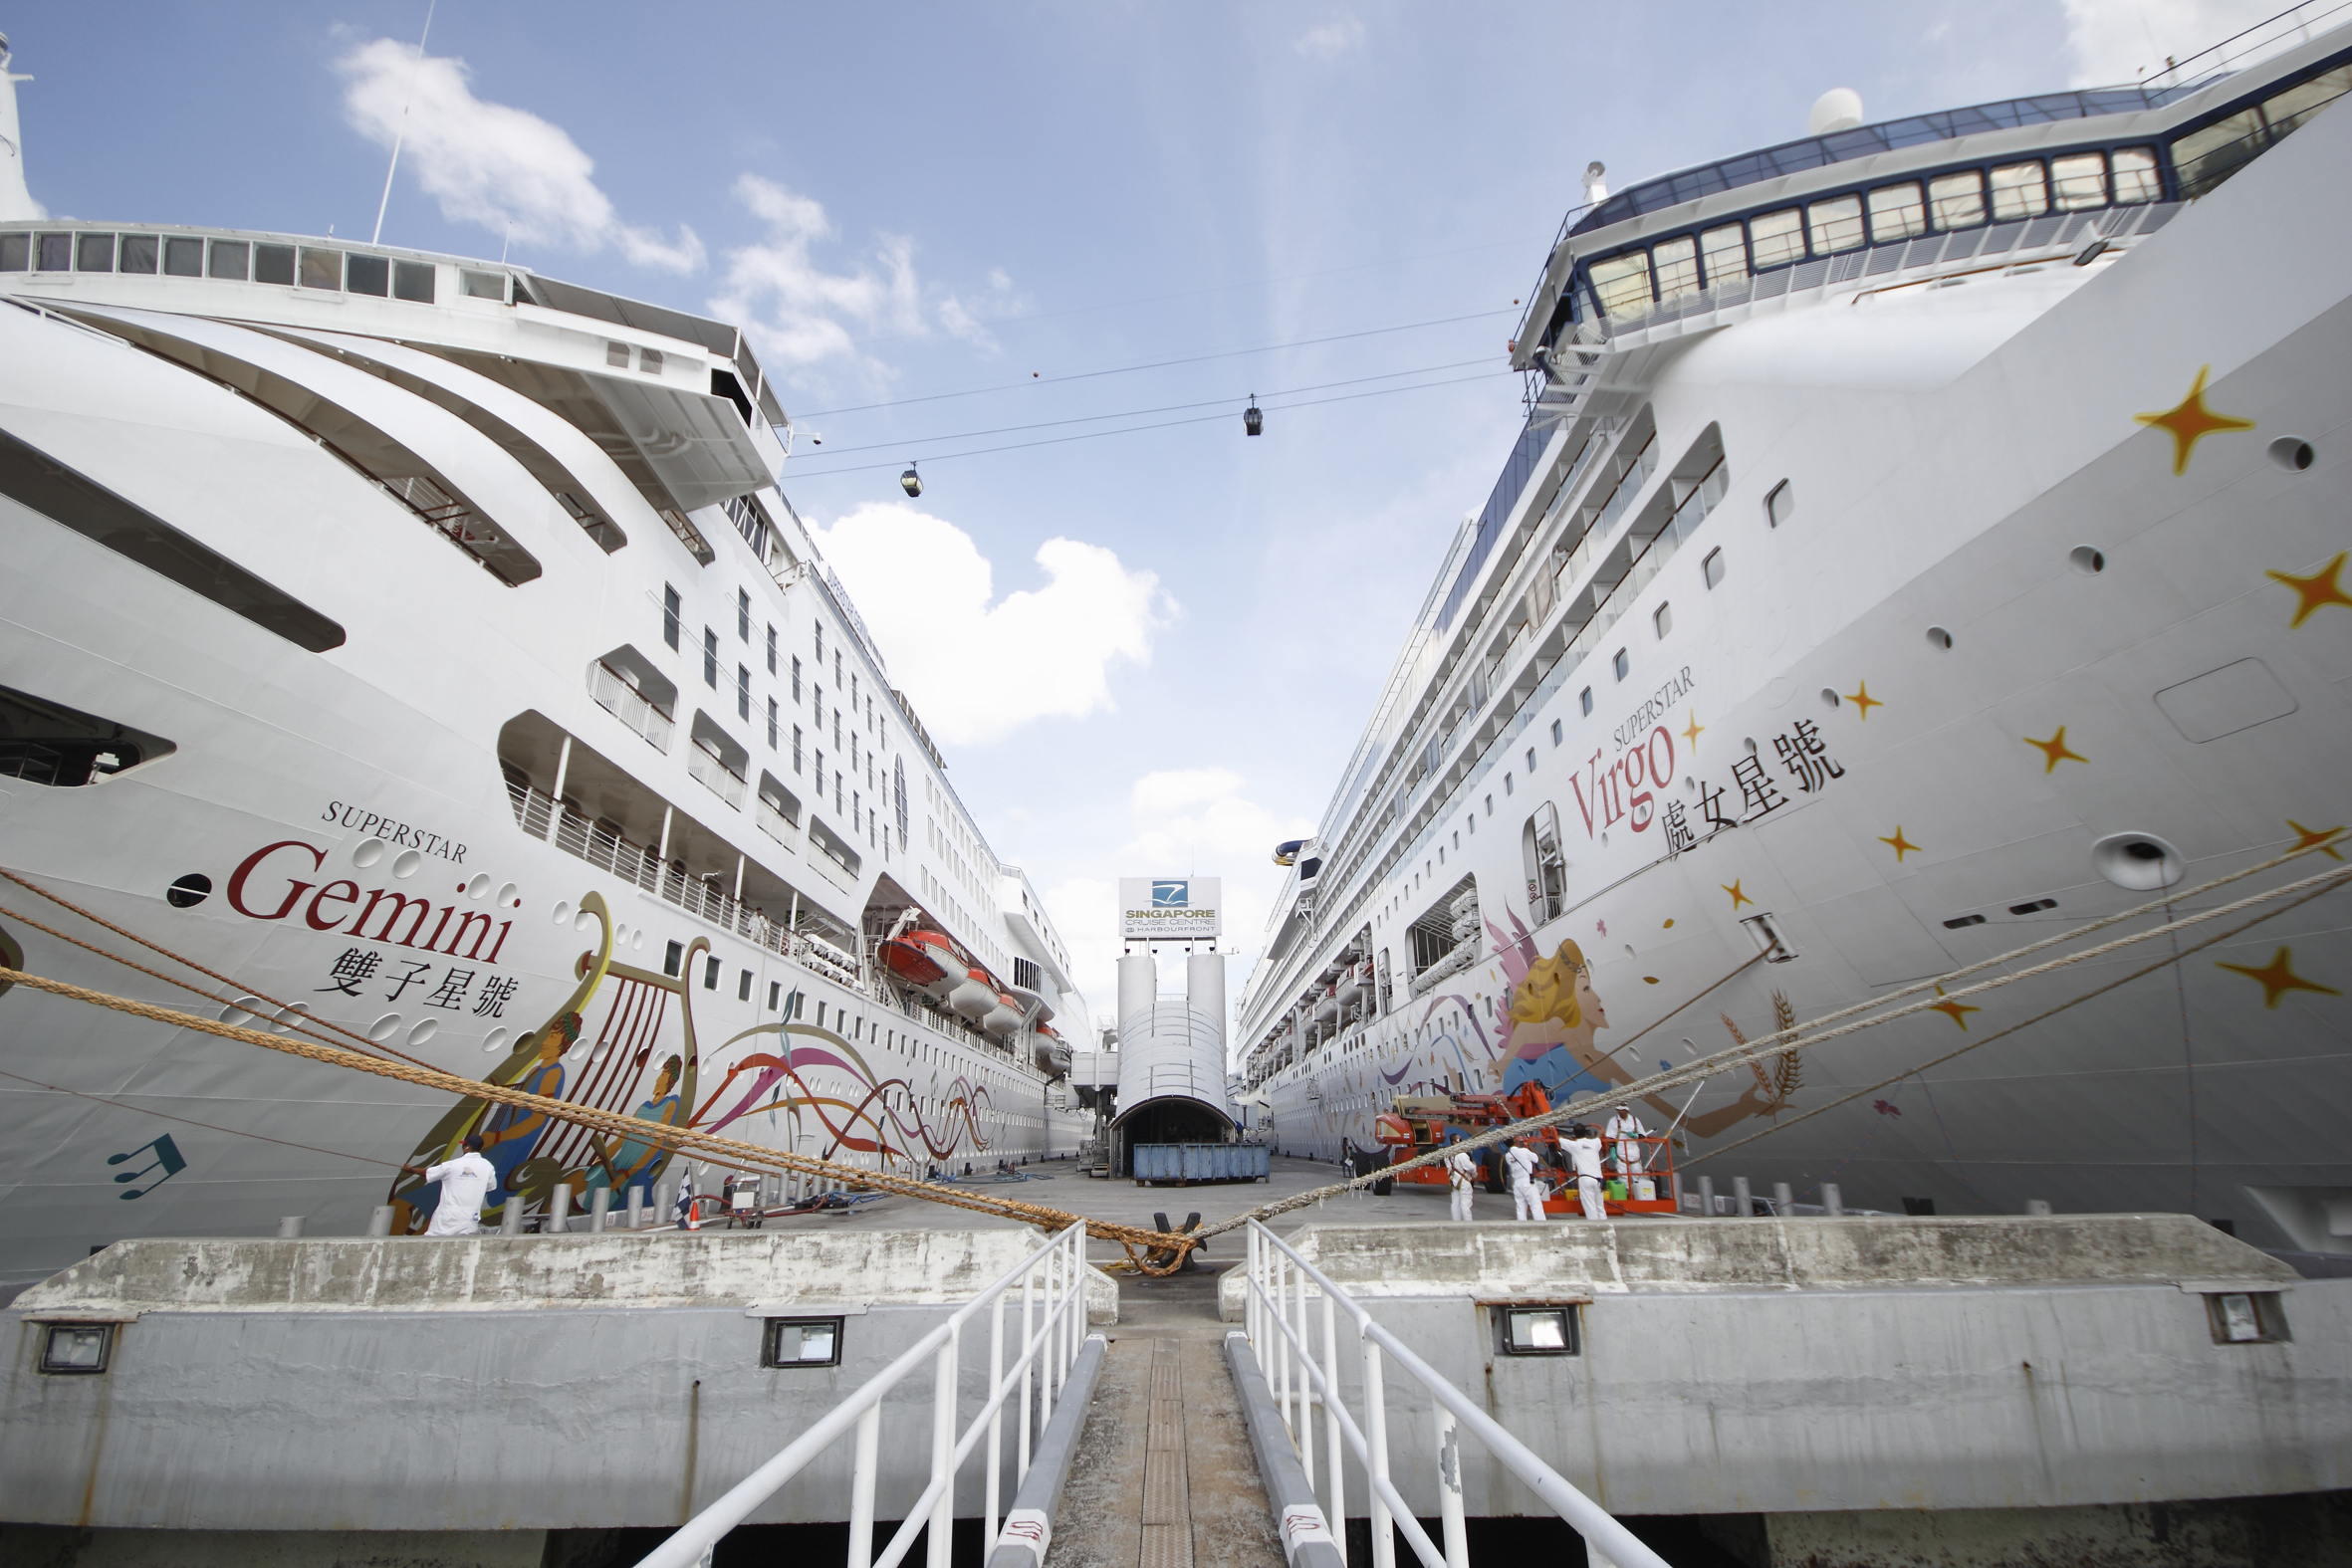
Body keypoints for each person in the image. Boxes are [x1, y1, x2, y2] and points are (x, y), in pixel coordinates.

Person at [403, 1134, 497, 1237]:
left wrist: (411, 1170)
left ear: (467, 1147)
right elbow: (491, 1186)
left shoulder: (453, 1164)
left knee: (434, 1243)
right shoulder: (488, 1166)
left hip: (448, 1217)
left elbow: (428, 1173)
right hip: (470, 1219)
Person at [1562, 1121, 1608, 1222]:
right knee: (1600, 1207)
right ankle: (1606, 1229)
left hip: (1586, 1178)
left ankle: (1595, 1231)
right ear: (1586, 1132)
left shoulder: (1574, 1145)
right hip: (1598, 1180)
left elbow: (1559, 1140)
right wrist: (1601, 1132)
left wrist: (1554, 1133)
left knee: (1590, 1208)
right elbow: (1598, 1138)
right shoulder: (1594, 1143)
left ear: (1574, 1134)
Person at [1504, 1137, 1545, 1223]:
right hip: (1527, 1181)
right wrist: (1529, 1147)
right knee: (1535, 1205)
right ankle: (1541, 1225)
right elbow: (1536, 1159)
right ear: (1515, 1141)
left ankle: (1522, 1227)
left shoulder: (1507, 1156)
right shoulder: (1524, 1151)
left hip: (1517, 1183)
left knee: (1520, 1207)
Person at [1603, 1103, 1650, 1176]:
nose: (1620, 1112)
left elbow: (1643, 1135)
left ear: (1627, 1110)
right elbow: (1610, 1137)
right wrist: (1612, 1149)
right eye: (1619, 1110)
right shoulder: (1613, 1121)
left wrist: (1636, 1136)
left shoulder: (1635, 1120)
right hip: (1621, 1154)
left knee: (1637, 1175)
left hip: (1634, 1153)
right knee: (1623, 1176)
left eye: (1622, 1110)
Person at [1445, 1140, 1479, 1223]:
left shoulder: (1447, 1155)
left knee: (1455, 1203)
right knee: (1466, 1204)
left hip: (1454, 1181)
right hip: (1463, 1181)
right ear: (1455, 1142)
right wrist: (1474, 1167)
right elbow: (1469, 1167)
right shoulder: (1462, 1154)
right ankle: (1468, 1223)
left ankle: (1456, 1222)